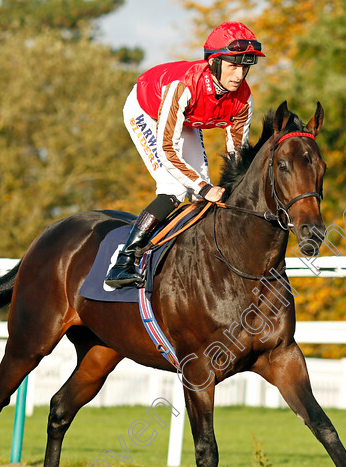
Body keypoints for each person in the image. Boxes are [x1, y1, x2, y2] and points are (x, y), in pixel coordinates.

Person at [105, 21, 264, 289]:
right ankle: (122, 262)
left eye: (245, 66)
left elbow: (235, 156)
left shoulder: (243, 99)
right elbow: (167, 149)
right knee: (176, 188)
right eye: (233, 65)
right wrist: (203, 188)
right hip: (147, 110)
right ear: (214, 63)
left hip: (186, 120)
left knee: (204, 190)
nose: (239, 75)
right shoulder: (184, 86)